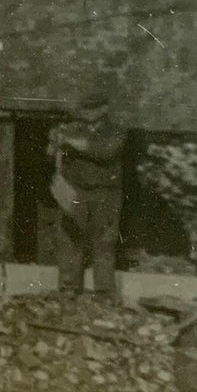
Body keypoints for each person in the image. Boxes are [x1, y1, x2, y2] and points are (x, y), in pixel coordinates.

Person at [51, 91, 126, 297]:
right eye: (85, 108)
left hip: (105, 195)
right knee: (70, 238)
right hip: (77, 191)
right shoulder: (72, 129)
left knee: (104, 241)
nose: (87, 112)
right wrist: (55, 141)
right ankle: (68, 288)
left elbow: (104, 151)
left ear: (104, 109)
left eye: (93, 108)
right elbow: (52, 153)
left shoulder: (115, 131)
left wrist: (68, 140)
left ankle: (104, 292)